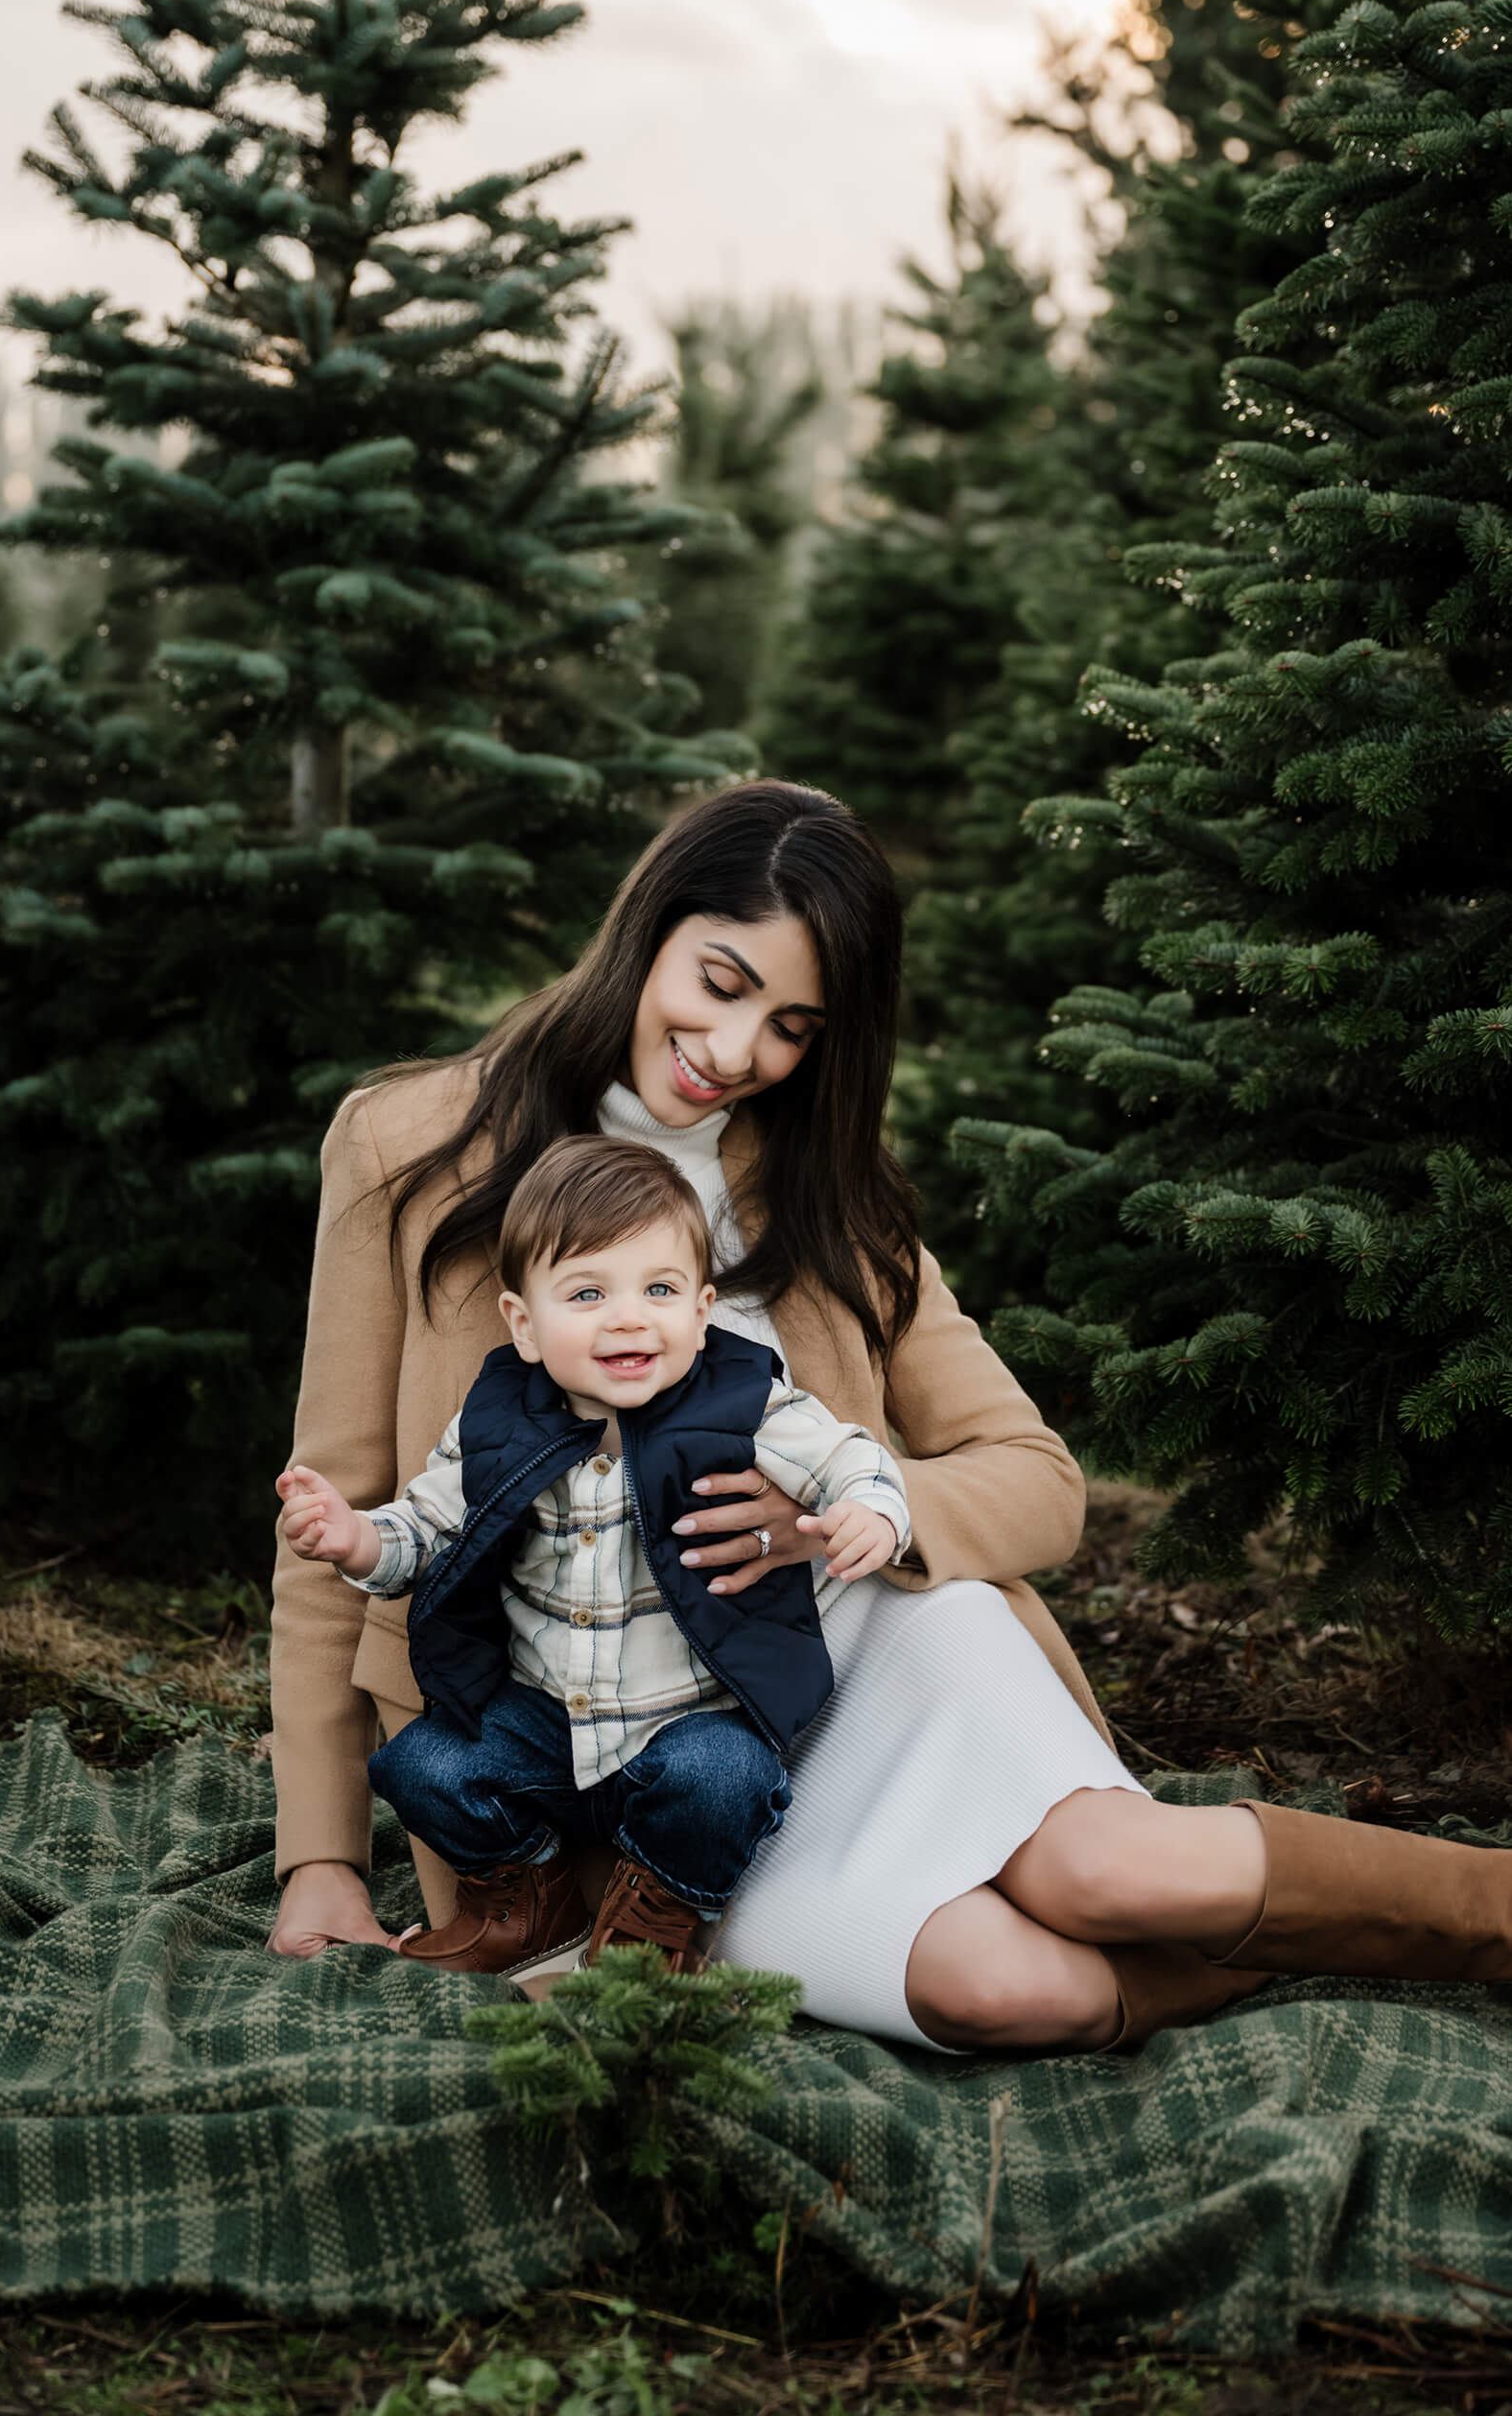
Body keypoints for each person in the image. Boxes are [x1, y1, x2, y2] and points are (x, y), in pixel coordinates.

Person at [270, 778, 1512, 2052]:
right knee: (1016, 1992)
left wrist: (852, 1514)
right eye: (718, 980)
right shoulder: (409, 1145)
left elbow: (1036, 1478)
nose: (737, 1049)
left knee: (1118, 1877)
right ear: (646, 930)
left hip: (865, 1655)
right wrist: (318, 1857)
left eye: (792, 1024)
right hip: (623, 1775)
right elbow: (336, 1511)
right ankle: (1264, 1957)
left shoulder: (825, 1194)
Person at [275, 1133, 910, 1981]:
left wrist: (871, 1509)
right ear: (524, 1324)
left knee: (727, 1777)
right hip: (541, 1719)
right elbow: (428, 1525)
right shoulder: (500, 1420)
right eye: (586, 1293)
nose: (627, 1316)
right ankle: (530, 1895)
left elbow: (847, 1455)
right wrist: (355, 1537)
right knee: (418, 1765)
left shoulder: (742, 1403)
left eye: (659, 1289)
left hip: (683, 1716)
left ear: (700, 1308)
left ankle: (660, 1909)